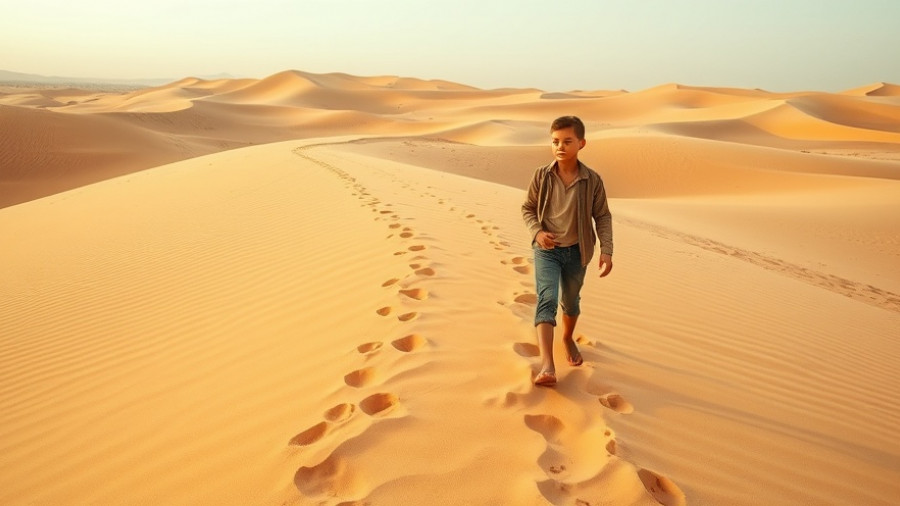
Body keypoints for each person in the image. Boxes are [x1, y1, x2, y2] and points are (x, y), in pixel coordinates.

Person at [521, 116, 613, 386]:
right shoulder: (541, 175)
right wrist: (537, 232)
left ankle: (567, 338)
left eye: (567, 141)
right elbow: (527, 208)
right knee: (546, 299)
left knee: (571, 302)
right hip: (546, 250)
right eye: (555, 141)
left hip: (577, 251)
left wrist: (606, 250)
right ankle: (548, 365)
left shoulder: (592, 180)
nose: (560, 146)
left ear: (581, 143)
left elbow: (603, 216)